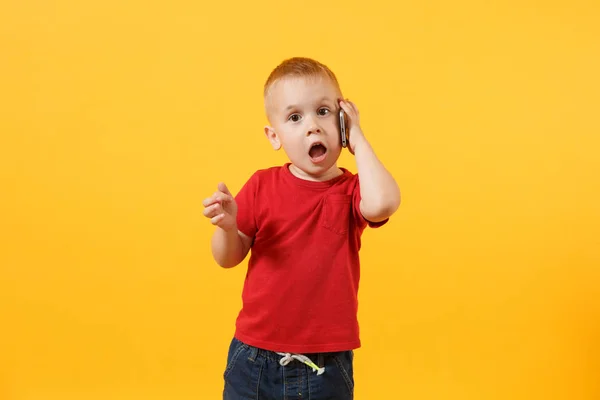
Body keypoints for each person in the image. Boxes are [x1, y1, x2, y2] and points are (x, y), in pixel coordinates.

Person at [202, 57, 401, 399]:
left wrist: (359, 139)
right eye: (295, 117)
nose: (312, 126)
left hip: (325, 365)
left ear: (342, 121)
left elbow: (383, 203)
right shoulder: (262, 185)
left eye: (324, 111)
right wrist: (227, 226)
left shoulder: (353, 189)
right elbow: (227, 258)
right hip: (254, 358)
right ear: (274, 136)